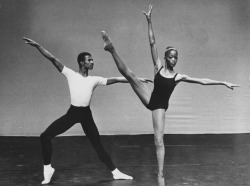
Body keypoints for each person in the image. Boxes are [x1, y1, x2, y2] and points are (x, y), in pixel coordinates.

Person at [101, 5, 240, 186]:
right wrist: (149, 21)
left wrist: (223, 82)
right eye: (172, 57)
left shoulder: (178, 76)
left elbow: (201, 80)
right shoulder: (158, 66)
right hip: (149, 97)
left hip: (159, 107)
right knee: (130, 74)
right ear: (166, 58)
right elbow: (152, 43)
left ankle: (160, 175)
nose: (174, 59)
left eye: (176, 57)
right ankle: (111, 48)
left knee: (159, 141)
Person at [22, 37, 152, 185]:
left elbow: (116, 79)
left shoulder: (94, 79)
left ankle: (115, 173)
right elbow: (53, 58)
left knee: (97, 145)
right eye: (89, 60)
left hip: (86, 116)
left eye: (92, 60)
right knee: (45, 136)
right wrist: (38, 46)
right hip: (73, 114)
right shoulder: (70, 74)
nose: (92, 62)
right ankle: (47, 169)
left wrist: (137, 79)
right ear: (82, 62)